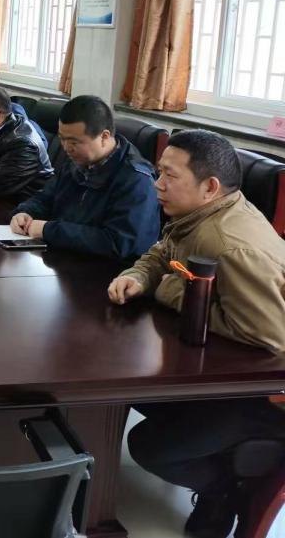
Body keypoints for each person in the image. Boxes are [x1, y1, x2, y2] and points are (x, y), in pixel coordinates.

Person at [108, 130, 285, 538]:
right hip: (225, 369)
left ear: (210, 187)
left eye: (170, 176)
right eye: (159, 172)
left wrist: (170, 290)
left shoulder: (232, 244)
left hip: (266, 395)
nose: (158, 184)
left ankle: (225, 490)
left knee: (152, 447)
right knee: (126, 390)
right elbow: (164, 252)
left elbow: (268, 334)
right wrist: (139, 275)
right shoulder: (199, 215)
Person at [8, 95, 160, 261]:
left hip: (106, 271)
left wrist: (49, 230)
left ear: (104, 136)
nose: (66, 148)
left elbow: (119, 243)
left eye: (74, 142)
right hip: (64, 258)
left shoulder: (136, 180)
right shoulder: (78, 161)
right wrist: (26, 212)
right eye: (62, 139)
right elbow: (45, 198)